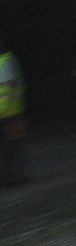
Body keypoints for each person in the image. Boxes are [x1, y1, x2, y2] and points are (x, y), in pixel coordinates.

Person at [0, 36, 27, 186]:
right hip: (12, 111)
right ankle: (16, 175)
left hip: (8, 113)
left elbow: (9, 87)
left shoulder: (3, 63)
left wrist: (6, 110)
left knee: (9, 146)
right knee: (13, 144)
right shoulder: (9, 59)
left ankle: (9, 177)